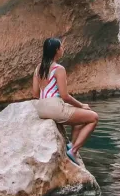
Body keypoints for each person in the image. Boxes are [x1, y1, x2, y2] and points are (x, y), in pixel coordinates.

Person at [31, 37, 98, 165]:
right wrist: (82, 105)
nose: (63, 49)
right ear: (57, 50)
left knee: (80, 118)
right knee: (93, 117)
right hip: (54, 107)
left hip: (40, 108)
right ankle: (73, 150)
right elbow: (65, 95)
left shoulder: (38, 68)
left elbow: (35, 93)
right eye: (61, 47)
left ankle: (71, 145)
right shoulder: (58, 69)